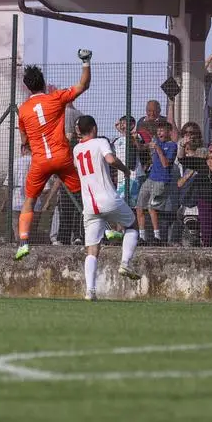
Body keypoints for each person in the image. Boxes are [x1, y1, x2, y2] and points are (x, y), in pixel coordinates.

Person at [14, 49, 92, 260]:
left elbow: (24, 141)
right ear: (44, 83)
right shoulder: (55, 98)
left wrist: (32, 140)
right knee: (83, 193)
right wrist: (85, 62)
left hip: (40, 161)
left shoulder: (23, 110)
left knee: (29, 201)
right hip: (62, 158)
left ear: (27, 87)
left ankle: (23, 241)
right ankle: (98, 231)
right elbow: (83, 85)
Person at [72, 115, 141, 301]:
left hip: (89, 205)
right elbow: (110, 160)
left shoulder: (77, 149)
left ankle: (90, 291)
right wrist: (125, 169)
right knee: (132, 226)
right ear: (94, 128)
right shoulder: (100, 142)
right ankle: (125, 262)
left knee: (92, 249)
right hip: (108, 199)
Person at [136, 120, 177, 246]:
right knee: (139, 207)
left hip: (161, 181)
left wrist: (158, 149)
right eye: (158, 130)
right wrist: (135, 140)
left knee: (152, 208)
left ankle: (156, 236)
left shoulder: (172, 146)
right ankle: (142, 237)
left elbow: (165, 164)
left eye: (162, 130)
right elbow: (142, 147)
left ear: (168, 132)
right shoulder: (155, 142)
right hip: (150, 179)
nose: (159, 133)